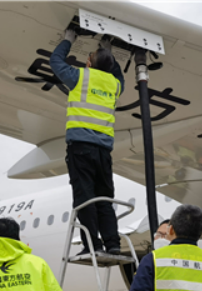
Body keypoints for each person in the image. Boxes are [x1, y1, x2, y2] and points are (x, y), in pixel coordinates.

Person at [50, 29, 125, 255]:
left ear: (89, 63)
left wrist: (68, 39)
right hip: (104, 151)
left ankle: (92, 245)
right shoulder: (114, 85)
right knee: (105, 199)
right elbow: (118, 76)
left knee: (85, 198)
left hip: (81, 148)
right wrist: (108, 51)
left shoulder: (80, 77)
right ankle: (113, 244)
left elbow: (55, 61)